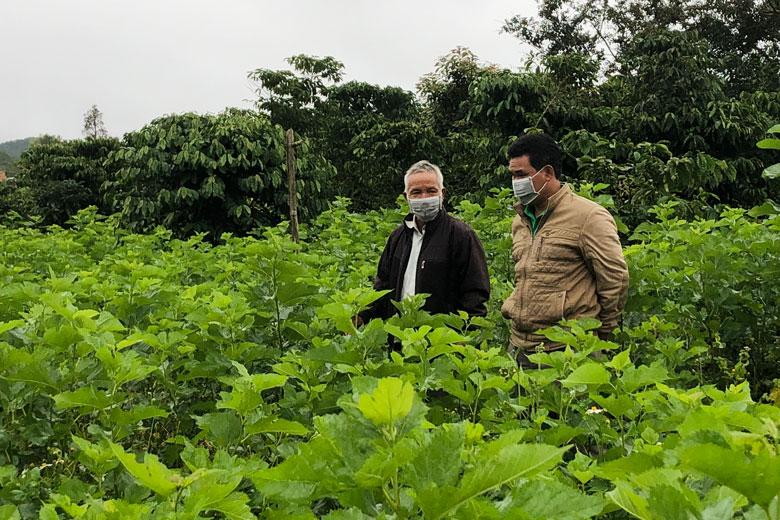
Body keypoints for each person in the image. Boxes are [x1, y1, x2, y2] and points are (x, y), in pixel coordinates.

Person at [500, 133, 629, 363]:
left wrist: (600, 335)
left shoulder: (588, 216)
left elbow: (615, 280)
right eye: (512, 175)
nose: (515, 183)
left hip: (566, 350)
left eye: (521, 175)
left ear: (548, 173)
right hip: (519, 345)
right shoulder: (520, 220)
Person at [359, 160, 490, 325]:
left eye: (431, 191)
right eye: (416, 192)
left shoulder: (461, 235)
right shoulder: (398, 237)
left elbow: (475, 294)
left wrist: (463, 336)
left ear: (442, 193)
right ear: (406, 197)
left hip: (442, 340)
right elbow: (382, 288)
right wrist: (362, 315)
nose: (424, 198)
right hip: (400, 335)